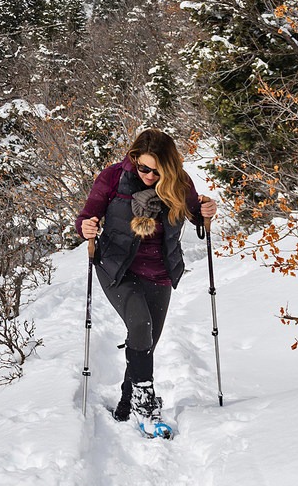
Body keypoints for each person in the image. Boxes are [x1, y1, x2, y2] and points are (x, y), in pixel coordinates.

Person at [75, 128, 217, 423]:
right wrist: (86, 227)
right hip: (117, 267)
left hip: (159, 270)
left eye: (158, 170)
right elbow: (86, 216)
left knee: (146, 342)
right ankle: (145, 400)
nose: (150, 176)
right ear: (134, 157)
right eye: (144, 168)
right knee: (140, 325)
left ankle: (127, 399)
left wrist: (207, 210)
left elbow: (195, 214)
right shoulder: (113, 178)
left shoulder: (179, 183)